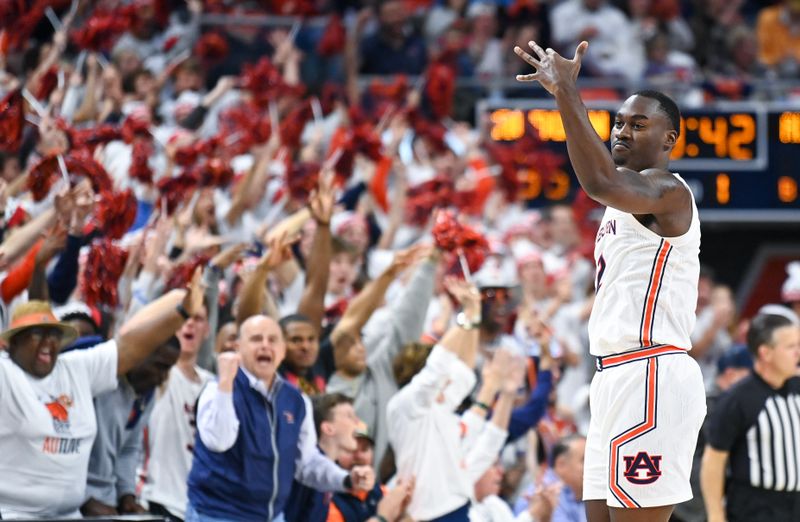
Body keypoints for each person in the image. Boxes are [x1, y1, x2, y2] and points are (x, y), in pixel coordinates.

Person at [514, 41, 706, 521]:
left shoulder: (668, 193)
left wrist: (566, 93)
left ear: (669, 140)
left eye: (638, 125)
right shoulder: (621, 204)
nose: (622, 131)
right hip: (613, 376)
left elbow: (599, 181)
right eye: (618, 122)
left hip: (652, 373)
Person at [0, 270, 205, 519]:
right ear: (11, 344)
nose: (47, 342)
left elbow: (129, 343)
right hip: (14, 515)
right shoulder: (6, 373)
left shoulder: (77, 368)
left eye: (54, 335)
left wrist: (181, 310)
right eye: (36, 334)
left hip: (71, 515)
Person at [186, 315, 374, 522]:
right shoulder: (218, 389)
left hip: (272, 517)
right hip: (218, 515)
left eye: (273, 340)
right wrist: (225, 385)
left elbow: (307, 463)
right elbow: (218, 441)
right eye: (256, 339)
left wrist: (345, 479)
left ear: (283, 350)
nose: (265, 346)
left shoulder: (296, 401)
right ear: (238, 348)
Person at [700, 314, 800, 522]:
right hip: (755, 508)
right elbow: (714, 461)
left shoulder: (797, 387)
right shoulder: (737, 399)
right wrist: (716, 515)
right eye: (791, 347)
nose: (798, 353)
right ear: (766, 353)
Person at [82, 336, 181, 516]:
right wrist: (85, 499)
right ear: (139, 354)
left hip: (108, 499)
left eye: (169, 369)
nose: (163, 378)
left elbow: (128, 448)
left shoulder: (146, 394)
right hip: (71, 501)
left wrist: (126, 496)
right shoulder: (98, 380)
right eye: (160, 366)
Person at [284, 393, 361, 521]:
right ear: (328, 428)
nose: (357, 421)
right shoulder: (306, 470)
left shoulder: (333, 472)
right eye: (349, 416)